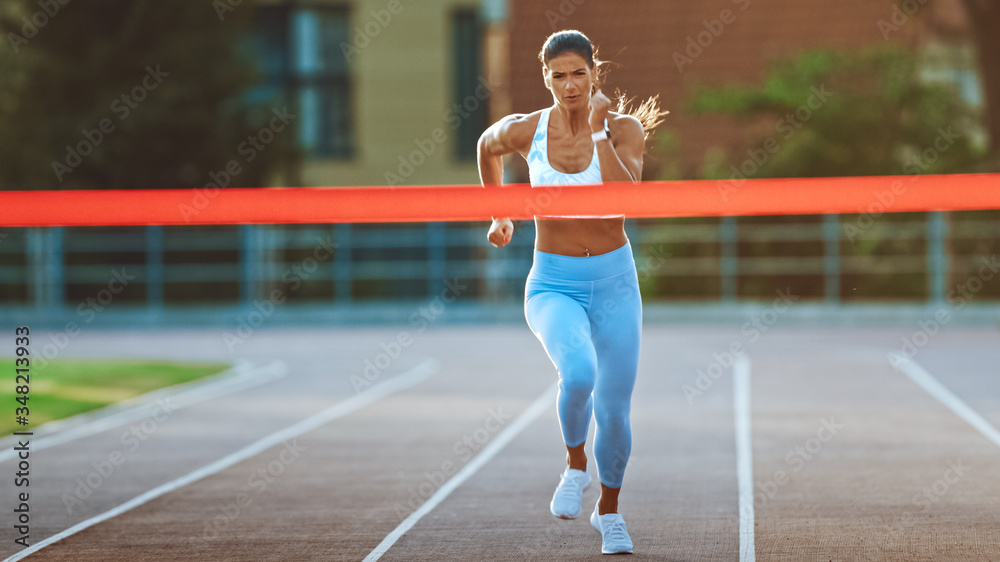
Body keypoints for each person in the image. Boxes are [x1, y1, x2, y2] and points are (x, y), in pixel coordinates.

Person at [477, 29, 666, 555]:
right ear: (546, 77)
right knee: (578, 372)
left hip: (615, 283)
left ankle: (609, 513)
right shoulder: (528, 130)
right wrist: (500, 213)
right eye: (557, 74)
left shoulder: (624, 129)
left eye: (577, 73)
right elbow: (484, 147)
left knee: (615, 409)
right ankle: (574, 466)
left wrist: (601, 133)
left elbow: (625, 198)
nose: (568, 84)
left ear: (594, 74)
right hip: (553, 281)